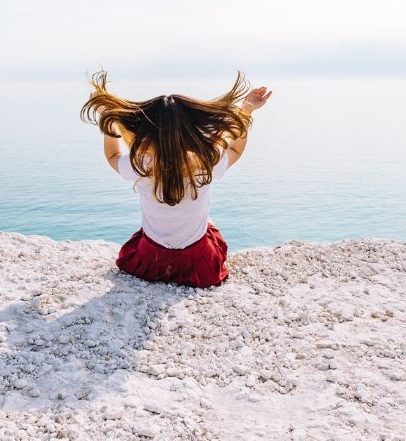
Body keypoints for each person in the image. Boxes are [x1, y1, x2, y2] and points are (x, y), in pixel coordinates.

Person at [80, 69, 272, 288]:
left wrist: (109, 122)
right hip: (197, 263)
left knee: (147, 234)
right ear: (193, 130)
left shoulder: (141, 164)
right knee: (210, 227)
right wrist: (246, 110)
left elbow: (113, 156)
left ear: (146, 132)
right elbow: (235, 149)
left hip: (151, 260)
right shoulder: (206, 161)